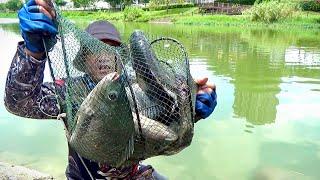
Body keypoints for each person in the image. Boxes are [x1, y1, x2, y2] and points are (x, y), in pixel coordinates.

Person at [4, 0, 217, 179]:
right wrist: (33, 54)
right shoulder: (68, 91)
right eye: (96, 48)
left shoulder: (135, 87)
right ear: (85, 60)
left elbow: (168, 114)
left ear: (120, 59)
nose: (104, 56)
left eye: (111, 49)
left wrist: (195, 102)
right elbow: (19, 103)